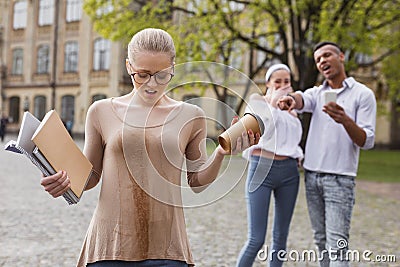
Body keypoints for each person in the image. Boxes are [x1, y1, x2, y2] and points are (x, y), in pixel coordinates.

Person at [39, 28, 259, 267]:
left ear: (173, 68)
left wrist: (220, 153)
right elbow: (91, 177)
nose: (152, 84)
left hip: (167, 250)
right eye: (142, 74)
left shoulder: (192, 115)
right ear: (128, 67)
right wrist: (61, 179)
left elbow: (196, 182)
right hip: (109, 248)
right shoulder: (100, 111)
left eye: (162, 75)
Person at [278, 41, 376, 266]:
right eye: (318, 59)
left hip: (340, 180)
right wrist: (291, 100)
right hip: (312, 177)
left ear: (341, 56)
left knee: (337, 246)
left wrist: (345, 120)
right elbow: (302, 99)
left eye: (327, 55)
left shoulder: (363, 94)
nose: (322, 61)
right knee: (321, 241)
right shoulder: (318, 92)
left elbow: (367, 140)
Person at [236, 63, 303, 267]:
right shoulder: (257, 103)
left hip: (289, 173)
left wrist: (298, 154)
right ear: (268, 84)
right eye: (278, 82)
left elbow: (293, 139)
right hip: (261, 169)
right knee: (256, 239)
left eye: (287, 82)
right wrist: (273, 103)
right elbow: (262, 130)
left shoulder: (292, 110)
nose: (283, 86)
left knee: (280, 238)